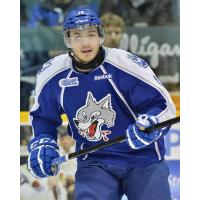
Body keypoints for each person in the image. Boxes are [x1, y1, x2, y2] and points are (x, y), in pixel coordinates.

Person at [27, 8, 176, 200]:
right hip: (95, 160)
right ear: (67, 40)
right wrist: (43, 140)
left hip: (144, 158)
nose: (85, 42)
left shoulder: (125, 64)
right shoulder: (52, 73)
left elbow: (162, 104)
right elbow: (43, 116)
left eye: (91, 34)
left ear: (100, 36)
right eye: (77, 36)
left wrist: (151, 123)